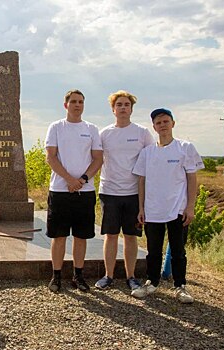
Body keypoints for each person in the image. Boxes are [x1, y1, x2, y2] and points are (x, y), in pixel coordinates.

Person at [133, 108, 204, 303]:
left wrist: (190, 207)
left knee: (178, 250)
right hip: (153, 210)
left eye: (166, 121)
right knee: (153, 250)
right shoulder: (147, 153)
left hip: (178, 210)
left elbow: (192, 179)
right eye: (158, 123)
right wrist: (141, 208)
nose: (162, 125)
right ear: (154, 127)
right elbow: (141, 181)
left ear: (173, 123)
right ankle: (152, 282)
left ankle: (180, 286)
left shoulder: (185, 148)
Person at [95, 90, 154, 297]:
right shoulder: (104, 134)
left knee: (130, 237)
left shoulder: (142, 133)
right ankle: (108, 276)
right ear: (113, 109)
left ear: (131, 108)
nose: (123, 108)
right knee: (111, 236)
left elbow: (151, 163)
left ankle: (131, 277)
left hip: (133, 193)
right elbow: (96, 159)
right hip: (109, 191)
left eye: (126, 104)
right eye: (119, 104)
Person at [45, 89, 103, 292]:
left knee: (81, 236)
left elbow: (98, 158)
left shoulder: (92, 129)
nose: (77, 105)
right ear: (66, 105)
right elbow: (51, 157)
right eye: (73, 102)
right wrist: (69, 180)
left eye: (81, 102)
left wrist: (83, 180)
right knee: (59, 236)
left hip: (84, 191)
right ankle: (56, 276)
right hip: (60, 190)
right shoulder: (56, 127)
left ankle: (78, 276)